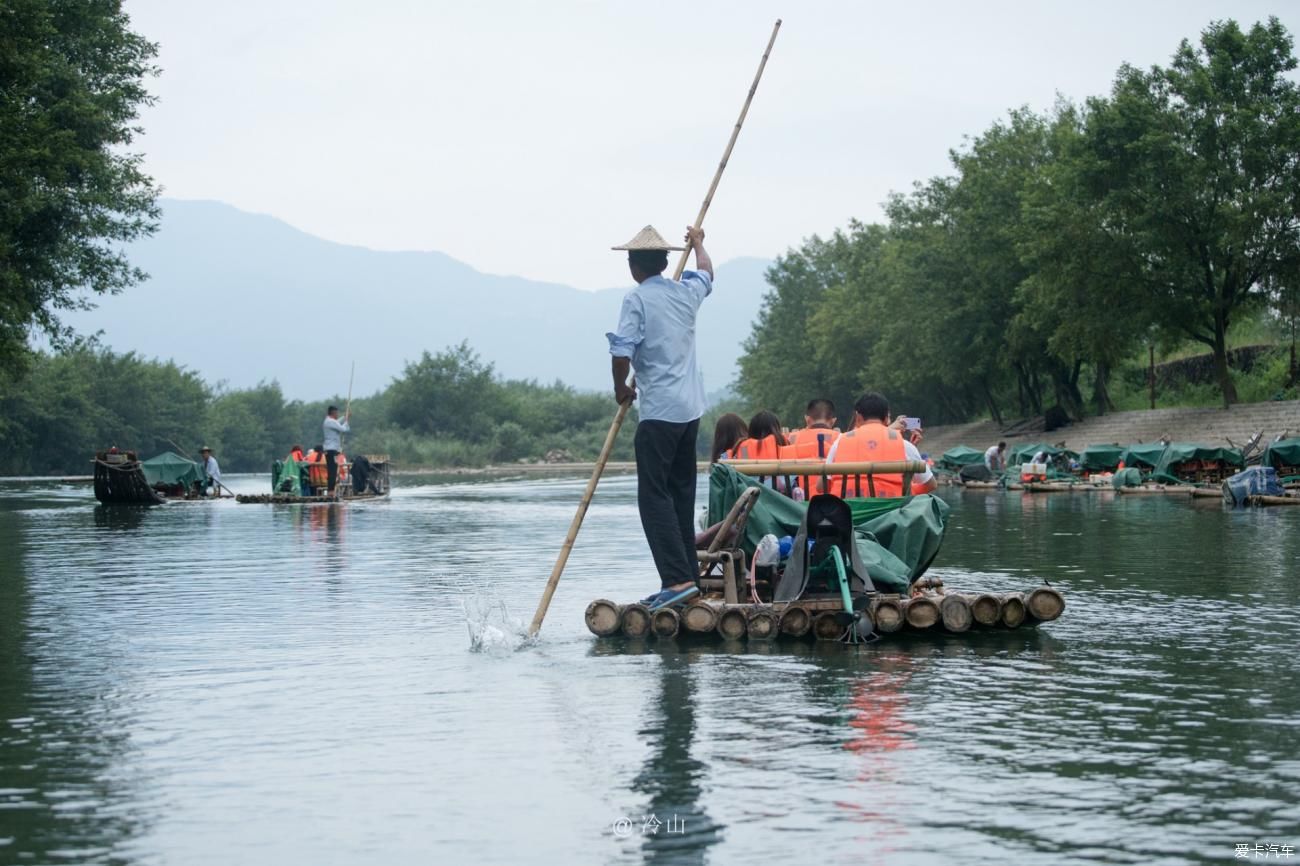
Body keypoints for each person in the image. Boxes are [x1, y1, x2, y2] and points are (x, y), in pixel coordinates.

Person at [606, 224, 713, 611]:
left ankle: (677, 579)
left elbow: (621, 351)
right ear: (666, 262)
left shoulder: (637, 299)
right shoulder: (685, 293)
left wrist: (621, 388)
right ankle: (688, 581)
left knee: (653, 498)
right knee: (680, 496)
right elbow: (706, 274)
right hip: (690, 413)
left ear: (634, 265)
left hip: (660, 414)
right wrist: (700, 245)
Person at [824, 393, 937, 496]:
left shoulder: (839, 442)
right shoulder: (905, 446)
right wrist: (907, 491)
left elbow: (822, 486)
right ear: (887, 418)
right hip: (889, 512)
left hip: (847, 512)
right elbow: (930, 484)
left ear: (858, 417)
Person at [322, 405, 350, 495]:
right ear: (333, 413)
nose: (338, 414)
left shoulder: (329, 421)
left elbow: (337, 422)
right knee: (333, 471)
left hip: (330, 450)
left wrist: (344, 417)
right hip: (331, 450)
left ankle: (331, 490)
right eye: (337, 413)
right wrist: (346, 420)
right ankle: (331, 491)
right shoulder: (330, 421)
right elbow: (343, 429)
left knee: (332, 470)